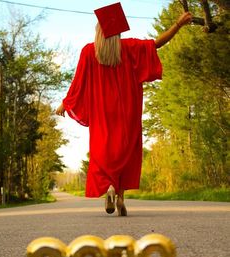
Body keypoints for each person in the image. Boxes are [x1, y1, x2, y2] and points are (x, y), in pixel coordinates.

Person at [56, 2, 192, 216]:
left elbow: (78, 83)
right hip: (126, 111)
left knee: (103, 154)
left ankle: (109, 188)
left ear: (98, 31)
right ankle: (120, 197)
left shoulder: (89, 51)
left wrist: (65, 102)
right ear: (118, 32)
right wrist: (178, 24)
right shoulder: (128, 48)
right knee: (125, 154)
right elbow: (156, 44)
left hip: (102, 114)